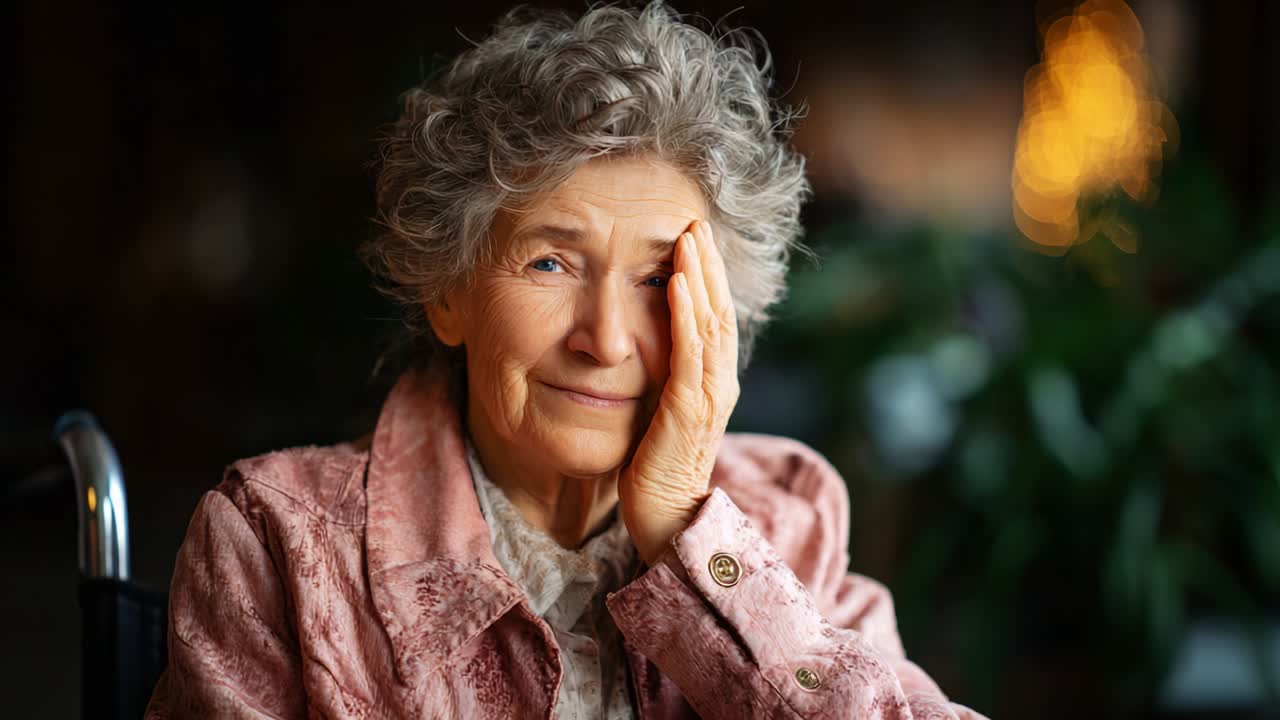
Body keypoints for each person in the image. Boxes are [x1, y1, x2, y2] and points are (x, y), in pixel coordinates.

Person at [146, 2, 986, 717]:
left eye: (659, 278)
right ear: (448, 293)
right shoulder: (277, 544)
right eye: (550, 263)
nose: (607, 340)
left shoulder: (789, 517)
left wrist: (690, 536)